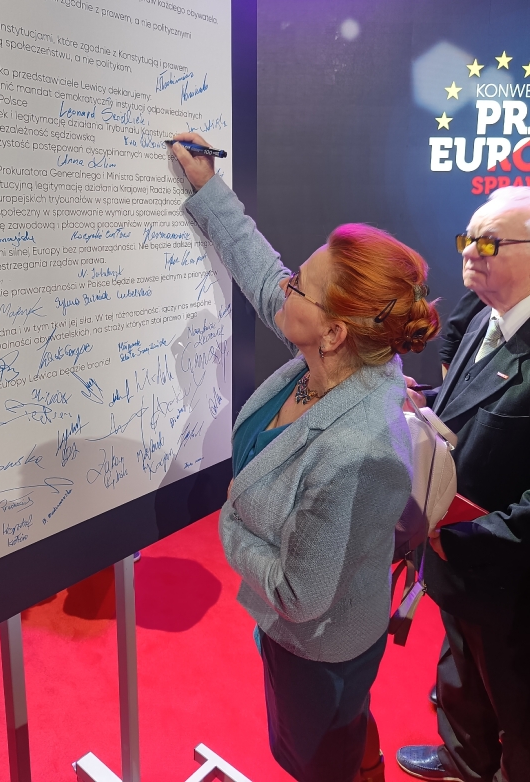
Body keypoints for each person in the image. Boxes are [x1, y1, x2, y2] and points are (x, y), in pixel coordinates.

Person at [173, 132, 440, 782]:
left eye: (299, 285)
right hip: (314, 632)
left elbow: (299, 595)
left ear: (333, 331)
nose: (283, 288)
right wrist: (209, 189)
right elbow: (261, 273)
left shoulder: (355, 448)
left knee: (317, 757)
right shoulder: (338, 358)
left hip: (319, 650)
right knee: (331, 740)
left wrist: (231, 521)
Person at [397, 186, 530, 782]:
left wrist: (472, 538)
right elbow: (465, 407)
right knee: (459, 670)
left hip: (509, 578)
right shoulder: (483, 319)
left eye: (490, 243)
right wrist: (420, 401)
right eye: (468, 239)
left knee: (518, 704)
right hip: (455, 561)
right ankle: (465, 761)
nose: (470, 253)